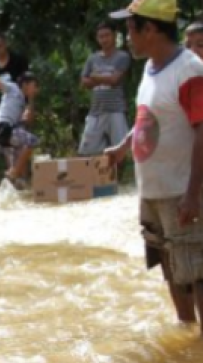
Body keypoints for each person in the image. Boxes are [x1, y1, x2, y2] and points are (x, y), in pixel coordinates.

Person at [107, 0, 203, 331]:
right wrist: (122, 147)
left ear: (150, 29)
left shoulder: (189, 69)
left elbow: (202, 129)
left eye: (130, 30)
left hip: (181, 190)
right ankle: (187, 332)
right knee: (169, 264)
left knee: (197, 269)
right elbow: (151, 118)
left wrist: (193, 194)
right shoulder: (150, 68)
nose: (127, 38)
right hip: (153, 189)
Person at [80, 21, 133, 155]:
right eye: (100, 36)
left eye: (107, 35)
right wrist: (103, 79)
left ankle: (118, 175)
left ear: (114, 36)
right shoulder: (92, 58)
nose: (104, 39)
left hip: (116, 108)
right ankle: (100, 175)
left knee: (121, 149)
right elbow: (84, 82)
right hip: (96, 110)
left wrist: (95, 77)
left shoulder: (122, 56)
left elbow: (115, 80)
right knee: (87, 150)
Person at [0, 73, 40, 188]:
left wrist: (31, 99)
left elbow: (28, 121)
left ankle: (13, 180)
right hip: (3, 128)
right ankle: (14, 172)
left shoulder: (22, 102)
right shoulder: (13, 88)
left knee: (18, 181)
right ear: (24, 85)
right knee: (32, 140)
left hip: (6, 132)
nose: (37, 89)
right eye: (34, 86)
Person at [0, 32, 30, 104]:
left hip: (18, 105)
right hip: (1, 107)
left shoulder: (19, 60)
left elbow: (29, 85)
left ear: (6, 44)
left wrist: (29, 106)